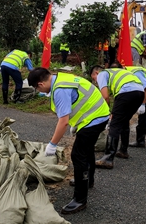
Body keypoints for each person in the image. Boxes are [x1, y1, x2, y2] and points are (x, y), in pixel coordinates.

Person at [27, 67, 110, 215]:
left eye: (36, 88)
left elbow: (63, 121)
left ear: (40, 84)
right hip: (98, 114)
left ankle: (80, 199)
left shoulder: (59, 90)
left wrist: (52, 144)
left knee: (78, 156)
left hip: (94, 118)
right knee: (87, 149)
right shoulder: (61, 77)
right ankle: (87, 181)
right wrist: (76, 124)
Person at [90, 66, 146, 169]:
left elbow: (105, 97)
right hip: (139, 92)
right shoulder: (117, 71)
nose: (96, 82)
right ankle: (123, 151)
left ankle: (107, 159)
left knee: (114, 124)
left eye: (94, 78)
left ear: (96, 73)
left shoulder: (102, 74)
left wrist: (106, 114)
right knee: (124, 121)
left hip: (126, 92)